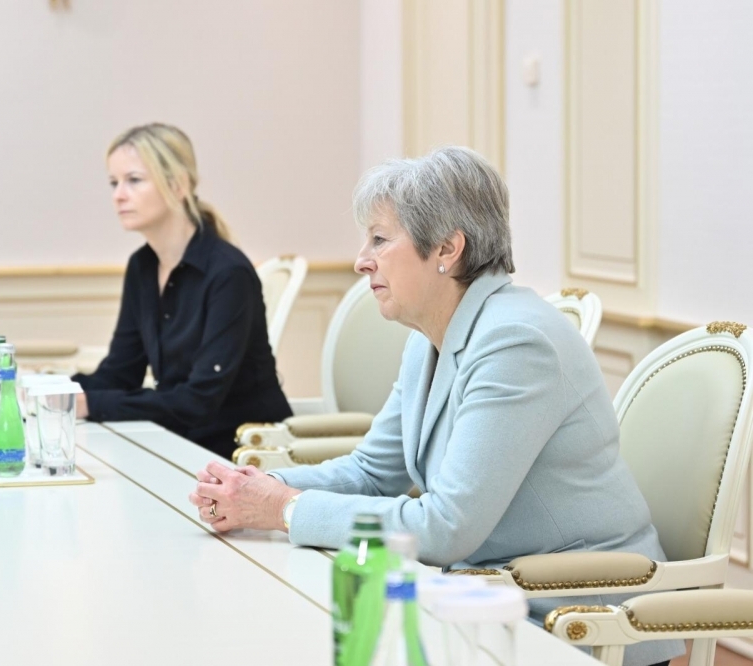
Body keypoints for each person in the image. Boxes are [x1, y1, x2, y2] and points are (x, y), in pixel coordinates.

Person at [187, 147, 681, 666]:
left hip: (576, 619)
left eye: (380, 239)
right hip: (488, 603)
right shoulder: (430, 338)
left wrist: (284, 509)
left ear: (447, 248)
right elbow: (372, 472)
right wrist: (253, 488)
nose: (361, 260)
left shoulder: (516, 342)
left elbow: (447, 526)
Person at [72, 123, 292, 459]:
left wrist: (90, 403)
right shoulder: (142, 267)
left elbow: (198, 401)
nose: (118, 195)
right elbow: (120, 372)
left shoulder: (228, 273)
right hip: (180, 442)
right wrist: (55, 390)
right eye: (114, 183)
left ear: (177, 185)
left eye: (134, 180)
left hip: (244, 456)